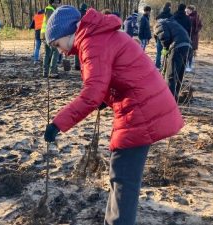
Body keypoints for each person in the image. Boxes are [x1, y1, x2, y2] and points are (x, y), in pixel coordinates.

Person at [43, 6, 183, 225]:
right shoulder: (96, 36)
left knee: (123, 179)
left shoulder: (91, 43)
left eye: (56, 44)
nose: (59, 50)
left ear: (66, 32)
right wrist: (104, 99)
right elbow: (114, 74)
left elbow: (91, 93)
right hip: (141, 104)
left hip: (141, 110)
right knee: (121, 178)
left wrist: (57, 124)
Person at [154, 17, 192, 102]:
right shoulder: (173, 23)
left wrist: (165, 47)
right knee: (179, 75)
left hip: (178, 46)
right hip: (188, 46)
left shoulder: (159, 25)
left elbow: (164, 37)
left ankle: (168, 100)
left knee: (171, 75)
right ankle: (175, 97)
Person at [41, 0, 61, 78]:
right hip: (49, 35)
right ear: (51, 2)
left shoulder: (51, 9)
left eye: (58, 2)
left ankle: (45, 72)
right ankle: (52, 71)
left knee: (48, 53)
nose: (57, 4)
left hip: (45, 35)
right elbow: (50, 23)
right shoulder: (50, 9)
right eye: (55, 2)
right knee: (56, 51)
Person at [155, 2, 173, 69]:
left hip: (159, 36)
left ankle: (157, 65)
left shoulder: (158, 16)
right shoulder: (171, 16)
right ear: (170, 8)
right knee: (167, 52)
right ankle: (165, 66)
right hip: (168, 37)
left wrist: (156, 36)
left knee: (158, 52)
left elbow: (156, 27)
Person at [186, 5, 202, 72]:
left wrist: (195, 31)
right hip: (193, 37)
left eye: (188, 10)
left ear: (191, 10)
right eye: (186, 10)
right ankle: (189, 65)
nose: (186, 11)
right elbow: (200, 25)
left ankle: (189, 66)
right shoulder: (196, 16)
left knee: (189, 52)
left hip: (192, 37)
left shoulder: (192, 17)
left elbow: (199, 26)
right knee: (191, 51)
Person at [74, 2, 88, 70]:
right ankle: (81, 64)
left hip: (76, 34)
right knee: (83, 50)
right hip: (83, 34)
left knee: (77, 49)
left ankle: (76, 64)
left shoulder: (76, 14)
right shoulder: (86, 15)